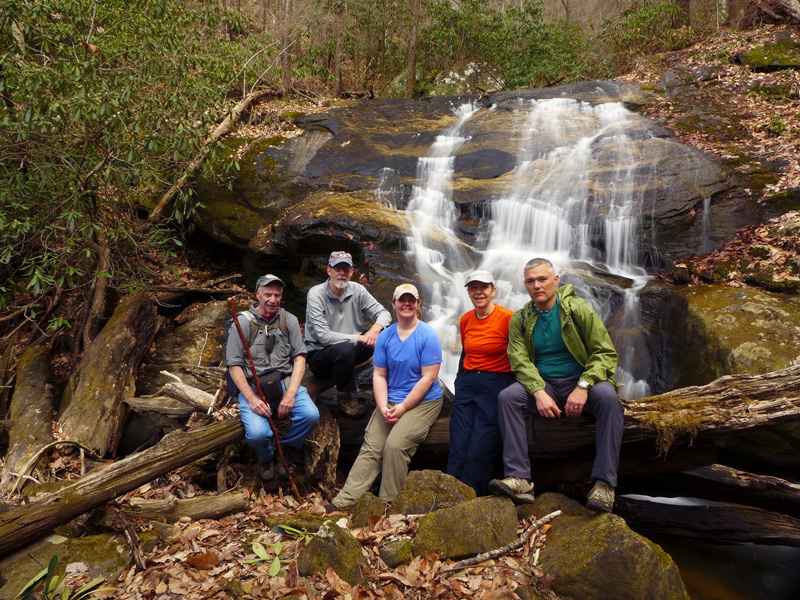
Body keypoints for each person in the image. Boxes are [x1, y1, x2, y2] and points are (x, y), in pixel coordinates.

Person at [488, 258, 624, 513]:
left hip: (582, 379)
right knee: (508, 397)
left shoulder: (578, 309)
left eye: (542, 279)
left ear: (555, 280)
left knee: (608, 399)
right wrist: (538, 392)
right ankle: (520, 480)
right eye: (531, 281)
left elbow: (604, 353)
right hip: (545, 384)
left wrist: (583, 386)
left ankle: (604, 484)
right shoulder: (522, 319)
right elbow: (519, 360)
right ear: (525, 285)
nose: (537, 285)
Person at [329, 283, 444, 508]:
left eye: (411, 300)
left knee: (395, 445)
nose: (407, 304)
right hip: (391, 398)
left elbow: (428, 378)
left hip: (424, 400)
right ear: (393, 305)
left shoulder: (427, 335)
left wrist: (402, 408)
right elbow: (379, 376)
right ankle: (344, 502)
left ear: (418, 304)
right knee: (372, 445)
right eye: (402, 300)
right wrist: (383, 407)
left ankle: (387, 504)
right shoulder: (385, 337)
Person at [227, 274, 320, 481]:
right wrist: (251, 399)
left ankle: (286, 449)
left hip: (284, 383)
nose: (273, 299)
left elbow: (300, 358)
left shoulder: (290, 320)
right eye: (268, 294)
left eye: (277, 295)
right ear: (257, 295)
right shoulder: (241, 323)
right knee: (258, 434)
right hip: (253, 388)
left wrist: (291, 394)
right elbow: (234, 365)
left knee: (311, 416)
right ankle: (266, 458)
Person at [446, 270, 515, 495]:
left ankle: (471, 496)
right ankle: (450, 492)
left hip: (495, 383)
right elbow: (465, 352)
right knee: (458, 441)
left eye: (483, 287)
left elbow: (519, 356)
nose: (478, 292)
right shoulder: (465, 319)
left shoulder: (507, 318)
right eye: (473, 288)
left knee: (480, 445)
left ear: (493, 290)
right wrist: (459, 381)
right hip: (467, 382)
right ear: (468, 291)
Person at [305, 250, 392, 419]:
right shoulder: (316, 294)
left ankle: (387, 387)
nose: (342, 273)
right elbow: (323, 336)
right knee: (344, 349)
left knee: (386, 335)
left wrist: (375, 329)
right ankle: (345, 396)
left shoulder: (357, 290)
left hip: (349, 351)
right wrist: (359, 338)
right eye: (338, 268)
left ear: (352, 272)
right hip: (320, 357)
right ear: (329, 271)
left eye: (346, 269)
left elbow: (384, 314)